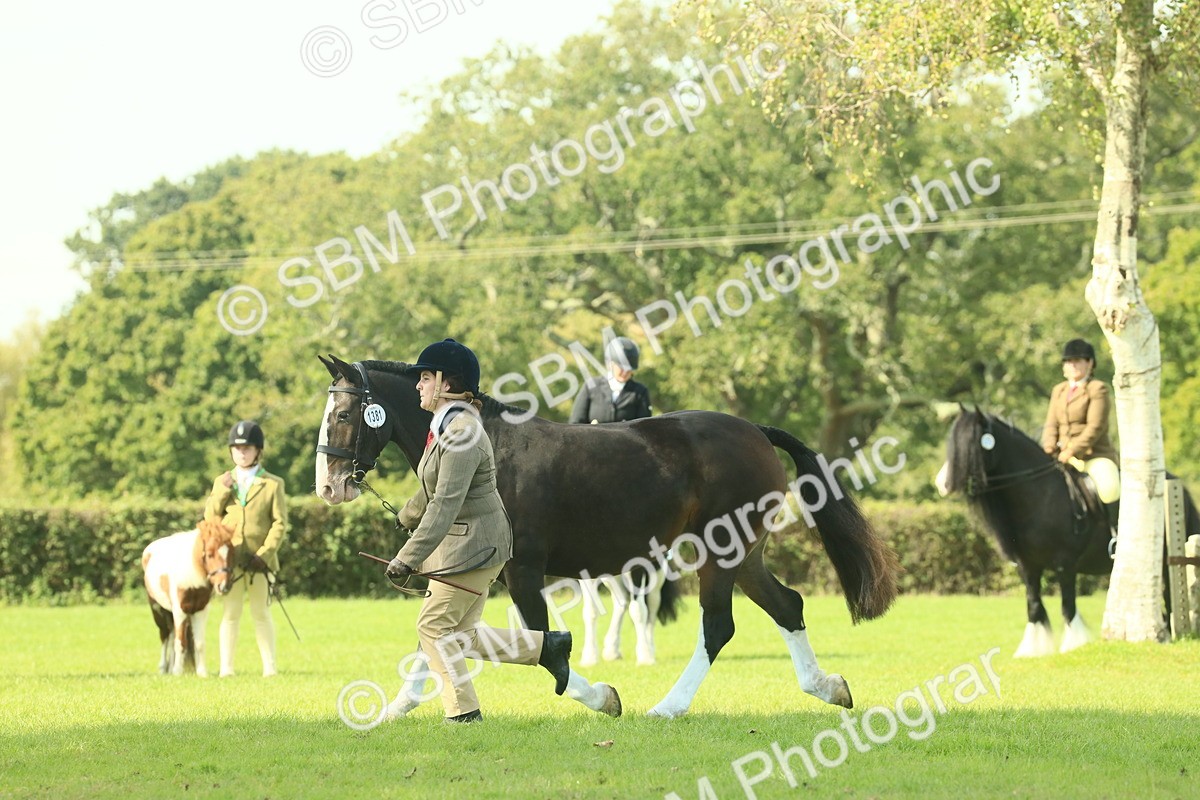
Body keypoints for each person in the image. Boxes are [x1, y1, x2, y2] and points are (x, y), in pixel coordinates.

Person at [385, 338, 620, 723]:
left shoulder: (460, 431)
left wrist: (406, 557)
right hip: (471, 544)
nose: (418, 385)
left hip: (473, 546)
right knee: (461, 636)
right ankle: (545, 648)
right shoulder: (445, 425)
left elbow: (446, 503)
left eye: (425, 377)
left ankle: (464, 714)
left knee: (432, 626)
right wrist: (407, 514)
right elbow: (431, 488)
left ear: (447, 384)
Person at [204, 420, 288, 678]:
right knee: (230, 613)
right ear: (231, 451)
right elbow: (210, 519)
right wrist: (221, 492)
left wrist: (264, 555)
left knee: (261, 613)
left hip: (259, 561)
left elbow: (279, 523)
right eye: (237, 448)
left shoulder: (273, 484)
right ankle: (226, 669)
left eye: (247, 448)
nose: (242, 452)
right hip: (230, 562)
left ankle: (269, 668)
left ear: (258, 451)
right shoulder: (222, 482)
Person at [1041, 338, 1120, 528]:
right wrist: (1048, 446)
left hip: (1093, 456)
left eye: (1078, 360)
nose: (1073, 365)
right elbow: (1051, 424)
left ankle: (1116, 534)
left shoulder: (1097, 389)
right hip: (1061, 455)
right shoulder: (1058, 390)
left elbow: (1095, 427)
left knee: (1109, 487)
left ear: (1090, 363)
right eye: (1069, 361)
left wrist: (1072, 450)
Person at [569, 337, 652, 424]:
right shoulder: (591, 386)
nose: (625, 372)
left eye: (629, 369)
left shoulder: (640, 392)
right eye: (621, 367)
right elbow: (576, 423)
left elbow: (644, 428)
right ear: (610, 364)